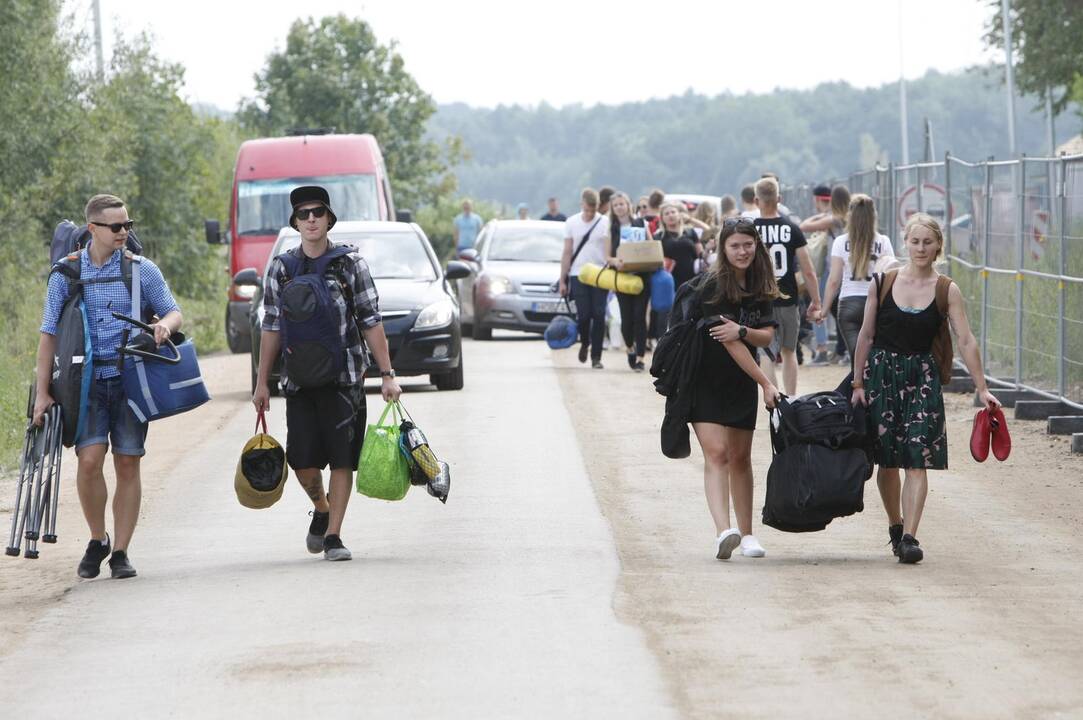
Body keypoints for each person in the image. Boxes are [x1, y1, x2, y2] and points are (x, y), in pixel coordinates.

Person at [34, 194, 183, 580]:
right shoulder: (65, 274)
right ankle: (97, 537)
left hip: (131, 379)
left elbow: (172, 309)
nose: (124, 233)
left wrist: (165, 324)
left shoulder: (142, 270)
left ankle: (120, 552)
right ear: (92, 229)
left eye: (127, 225)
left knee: (128, 461)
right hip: (83, 384)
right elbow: (48, 335)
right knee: (88, 463)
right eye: (116, 226)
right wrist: (42, 392)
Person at [254, 185, 402, 562]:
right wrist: (261, 383)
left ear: (329, 217)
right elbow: (270, 327)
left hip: (345, 377)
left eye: (317, 212)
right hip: (299, 379)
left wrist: (387, 374)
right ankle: (321, 507)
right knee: (302, 461)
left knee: (342, 459)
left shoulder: (350, 264)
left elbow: (371, 321)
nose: (311, 219)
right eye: (303, 214)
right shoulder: (282, 268)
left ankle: (334, 534)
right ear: (295, 222)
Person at [851, 213, 1000, 564]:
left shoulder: (947, 289)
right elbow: (866, 335)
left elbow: (965, 339)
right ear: (906, 242)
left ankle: (909, 538)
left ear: (938, 247)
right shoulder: (882, 282)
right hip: (882, 376)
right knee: (887, 462)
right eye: (915, 241)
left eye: (928, 242)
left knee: (917, 459)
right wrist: (857, 382)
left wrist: (983, 387)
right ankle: (895, 524)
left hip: (923, 377)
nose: (921, 248)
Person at [691, 217, 782, 560]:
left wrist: (742, 330)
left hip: (741, 380)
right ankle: (723, 532)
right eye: (735, 246)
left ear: (756, 246)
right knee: (717, 454)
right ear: (721, 248)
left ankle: (748, 535)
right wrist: (766, 382)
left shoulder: (760, 285)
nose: (742, 251)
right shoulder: (711, 287)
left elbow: (765, 336)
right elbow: (728, 343)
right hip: (704, 379)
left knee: (741, 458)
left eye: (748, 244)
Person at [753, 177, 821, 396]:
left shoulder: (751, 230)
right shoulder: (791, 228)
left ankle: (773, 400)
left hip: (760, 299)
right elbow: (808, 270)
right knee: (789, 351)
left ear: (756, 201)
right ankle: (791, 399)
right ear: (779, 199)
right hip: (788, 298)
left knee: (765, 354)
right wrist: (816, 301)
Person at [818, 194, 895, 360]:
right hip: (876, 306)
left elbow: (833, 281)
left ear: (849, 216)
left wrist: (824, 310)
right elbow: (891, 276)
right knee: (876, 358)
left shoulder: (840, 242)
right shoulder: (884, 241)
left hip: (848, 306)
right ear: (873, 215)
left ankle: (858, 384)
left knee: (858, 360)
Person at [559, 187, 611, 369]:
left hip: (600, 274)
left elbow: (609, 249)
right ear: (581, 205)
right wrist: (562, 280)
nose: (589, 214)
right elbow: (567, 252)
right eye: (587, 210)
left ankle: (596, 356)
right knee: (583, 315)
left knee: (599, 315)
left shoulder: (605, 222)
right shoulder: (571, 222)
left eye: (593, 210)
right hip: (577, 273)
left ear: (598, 207)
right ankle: (585, 342)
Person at [800, 184, 851, 364]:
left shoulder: (834, 219)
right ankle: (844, 350)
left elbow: (804, 226)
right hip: (850, 270)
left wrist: (822, 215)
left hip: (833, 269)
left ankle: (821, 348)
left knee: (818, 306)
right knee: (842, 311)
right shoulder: (850, 218)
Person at [606, 192, 651, 371]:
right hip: (622, 278)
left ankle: (640, 357)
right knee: (627, 318)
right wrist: (615, 261)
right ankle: (630, 348)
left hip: (641, 276)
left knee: (640, 317)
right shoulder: (611, 229)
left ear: (628, 205)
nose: (619, 207)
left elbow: (651, 246)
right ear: (613, 208)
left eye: (622, 204)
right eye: (615, 205)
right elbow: (607, 256)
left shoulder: (642, 223)